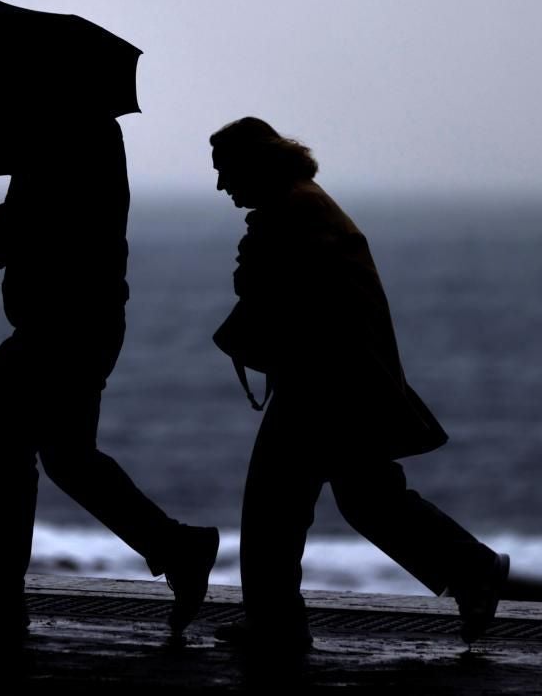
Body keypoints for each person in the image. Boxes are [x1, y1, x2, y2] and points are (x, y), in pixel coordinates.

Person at [207, 117, 509, 654]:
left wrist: (251, 266)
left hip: (325, 384)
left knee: (273, 504)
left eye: (226, 171)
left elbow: (281, 294)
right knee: (368, 499)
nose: (221, 186)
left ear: (252, 164)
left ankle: (276, 622)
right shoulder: (301, 205)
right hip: (340, 378)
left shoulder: (295, 211)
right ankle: (473, 569)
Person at [0, 114, 220, 639]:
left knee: (15, 448)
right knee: (66, 457)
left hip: (62, 325)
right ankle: (177, 549)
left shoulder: (64, 131)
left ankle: (5, 591)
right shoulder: (78, 129)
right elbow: (41, 218)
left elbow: (47, 225)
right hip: (84, 322)